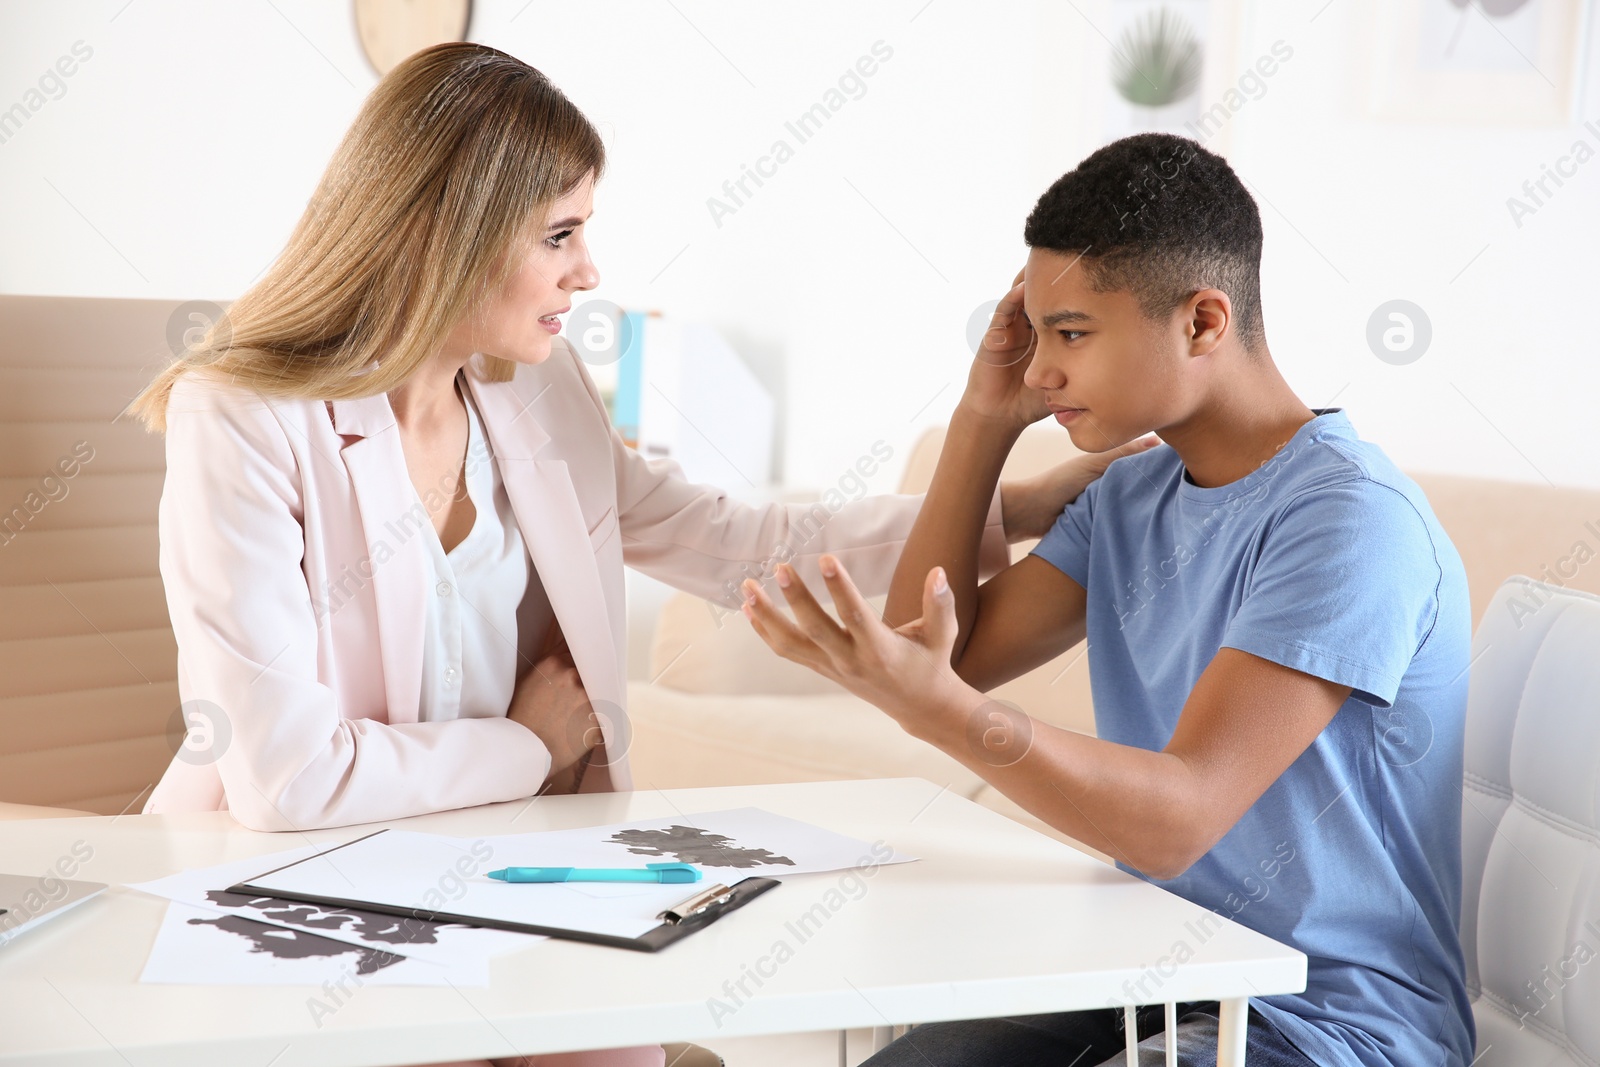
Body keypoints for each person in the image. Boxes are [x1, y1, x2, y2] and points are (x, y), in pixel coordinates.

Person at [125, 42, 1128, 1067]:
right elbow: (287, 780)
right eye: (559, 234)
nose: (588, 270)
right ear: (444, 233)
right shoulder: (244, 418)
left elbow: (742, 542)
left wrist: (1015, 501)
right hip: (297, 891)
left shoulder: (536, 390)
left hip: (506, 872)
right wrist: (529, 742)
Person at [739, 132, 1475, 1066]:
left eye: (1072, 333)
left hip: (1327, 1022)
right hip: (1146, 977)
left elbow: (1178, 819)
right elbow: (937, 650)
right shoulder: (1129, 495)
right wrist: (982, 420)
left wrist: (944, 710)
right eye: (1034, 332)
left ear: (1203, 323)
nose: (1040, 369)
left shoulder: (1349, 521)